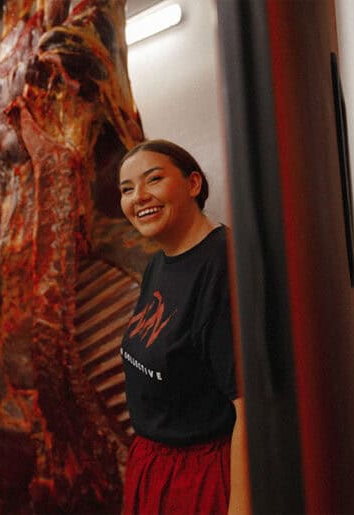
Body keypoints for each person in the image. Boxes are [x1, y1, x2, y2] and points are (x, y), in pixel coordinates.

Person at [118, 139, 249, 514]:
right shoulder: (158, 264)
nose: (139, 196)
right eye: (127, 190)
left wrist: (239, 508)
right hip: (155, 468)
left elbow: (248, 406)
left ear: (193, 184)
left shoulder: (222, 264)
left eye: (153, 180)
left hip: (204, 477)